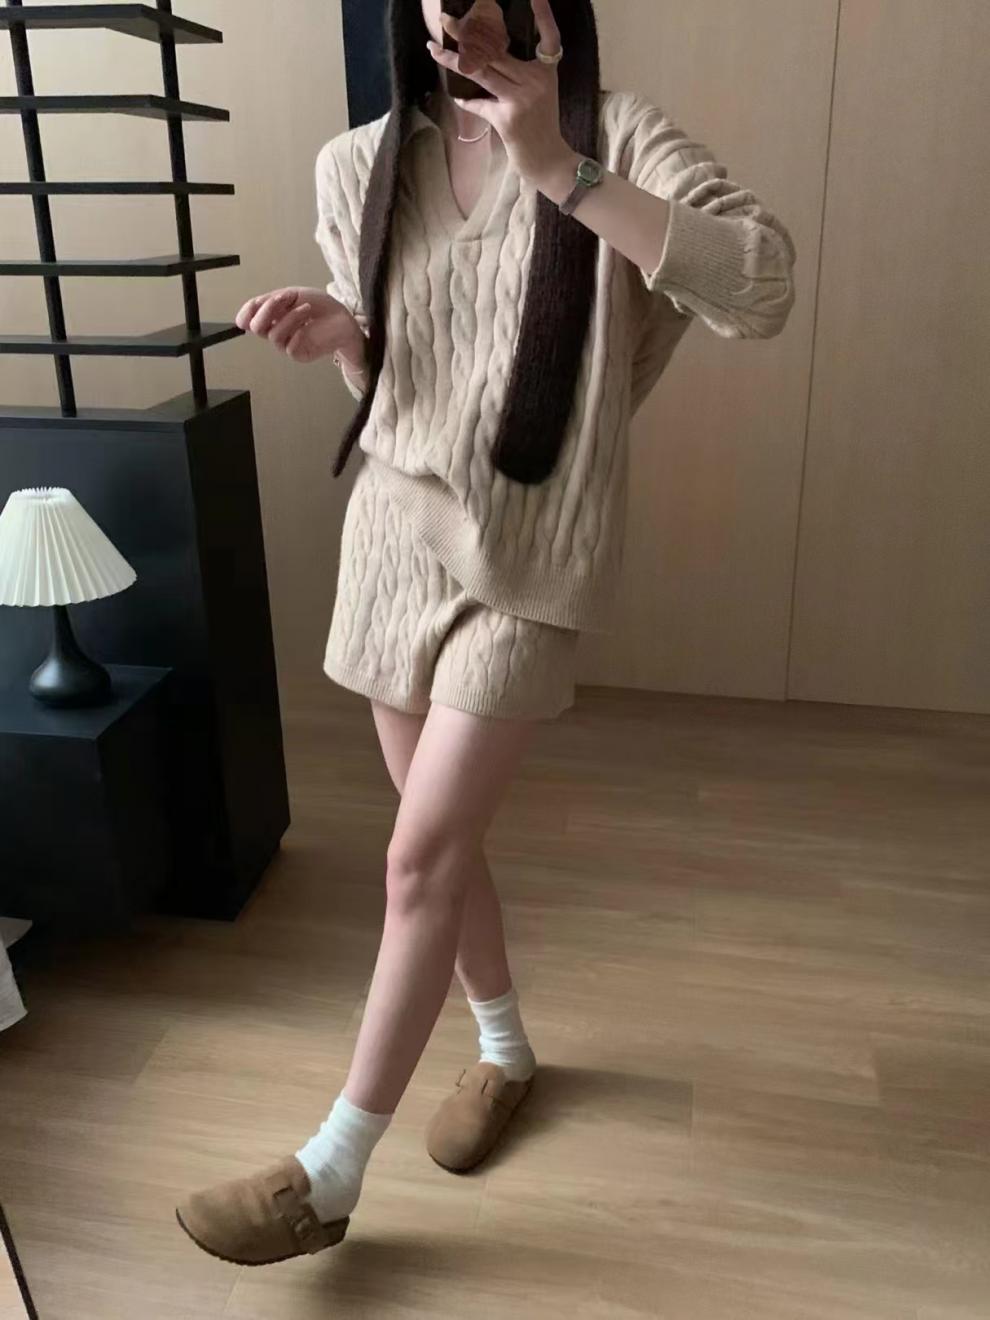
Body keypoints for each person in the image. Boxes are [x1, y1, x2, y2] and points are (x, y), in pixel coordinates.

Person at [175, 0, 796, 1266]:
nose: (456, 16)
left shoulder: (614, 134)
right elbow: (400, 378)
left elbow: (763, 284)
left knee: (417, 855)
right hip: (393, 543)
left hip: (531, 557)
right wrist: (347, 337)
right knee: (437, 843)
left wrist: (561, 170)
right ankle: (504, 1051)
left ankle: (328, 1173)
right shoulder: (360, 163)